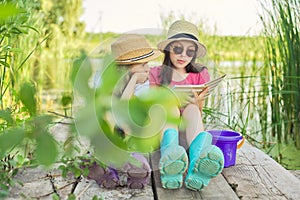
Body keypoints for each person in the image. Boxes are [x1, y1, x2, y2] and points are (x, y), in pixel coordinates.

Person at [149, 20, 224, 191]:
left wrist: (197, 100)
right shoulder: (155, 73)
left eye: (189, 51)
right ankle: (171, 157)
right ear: (169, 50)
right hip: (164, 130)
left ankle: (196, 167)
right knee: (170, 108)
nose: (183, 55)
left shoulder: (200, 74)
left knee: (191, 109)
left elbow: (199, 112)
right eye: (177, 49)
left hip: (188, 134)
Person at [83, 34, 161, 189]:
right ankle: (111, 166)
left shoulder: (142, 82)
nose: (148, 68)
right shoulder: (104, 78)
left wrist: (132, 81)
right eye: (143, 64)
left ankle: (112, 166)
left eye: (148, 63)